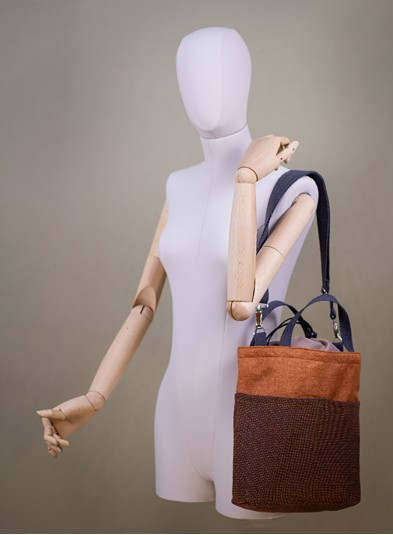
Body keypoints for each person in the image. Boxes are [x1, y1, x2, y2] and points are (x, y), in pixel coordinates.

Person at [36, 26, 318, 520]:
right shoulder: (178, 187)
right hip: (175, 413)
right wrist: (94, 397)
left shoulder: (295, 189)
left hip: (248, 411)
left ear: (244, 79)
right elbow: (143, 305)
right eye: (190, 76)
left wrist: (246, 181)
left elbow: (241, 303)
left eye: (218, 74)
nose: (204, 91)